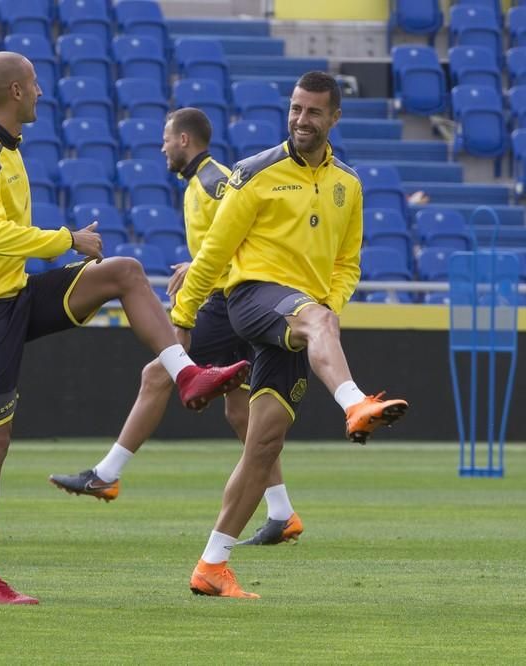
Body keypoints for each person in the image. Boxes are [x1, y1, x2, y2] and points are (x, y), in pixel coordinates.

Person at [0, 52, 250, 605]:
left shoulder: (5, 149)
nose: (41, 94)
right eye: (33, 85)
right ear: (14, 91)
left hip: (12, 294)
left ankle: (186, 372)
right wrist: (66, 240)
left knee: (122, 272)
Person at [173, 72, 408, 598]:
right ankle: (353, 402)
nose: (302, 119)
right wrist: (183, 320)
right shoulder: (254, 173)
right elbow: (213, 252)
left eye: (314, 112)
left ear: (334, 118)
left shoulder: (349, 184)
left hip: (301, 318)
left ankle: (211, 566)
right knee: (319, 320)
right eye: (296, 109)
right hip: (253, 299)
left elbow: (348, 263)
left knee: (264, 444)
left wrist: (330, 303)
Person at [48, 108, 303, 545]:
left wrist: (202, 266)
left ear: (184, 140)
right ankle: (281, 513)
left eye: (166, 139)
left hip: (228, 302)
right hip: (228, 299)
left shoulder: (213, 181)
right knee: (241, 411)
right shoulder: (198, 183)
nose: (163, 147)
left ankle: (106, 475)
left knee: (157, 374)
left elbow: (252, 224)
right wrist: (198, 261)